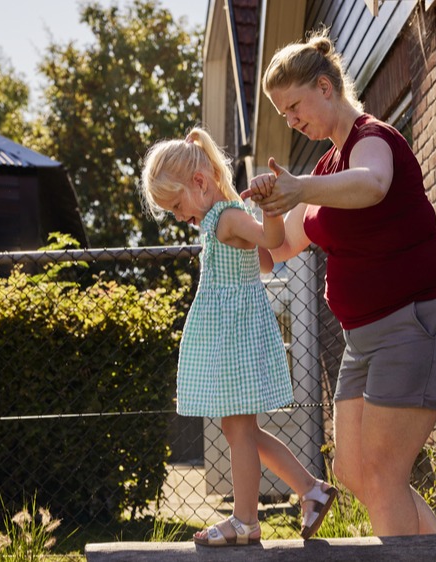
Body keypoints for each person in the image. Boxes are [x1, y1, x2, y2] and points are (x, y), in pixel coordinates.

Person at [243, 29, 436, 537]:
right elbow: (277, 250)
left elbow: (373, 184)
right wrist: (248, 210)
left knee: (384, 474)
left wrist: (297, 186)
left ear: (326, 88)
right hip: (365, 337)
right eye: (283, 113)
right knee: (352, 472)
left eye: (294, 106)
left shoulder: (375, 139)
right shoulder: (327, 166)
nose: (291, 120)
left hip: (418, 319)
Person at [139, 127, 338, 546]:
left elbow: (273, 240)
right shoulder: (222, 217)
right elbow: (264, 263)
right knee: (240, 431)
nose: (177, 215)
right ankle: (311, 490)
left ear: (199, 182)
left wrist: (269, 207)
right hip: (233, 336)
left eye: (176, 205)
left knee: (239, 432)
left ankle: (245, 521)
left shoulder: (227, 217)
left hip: (236, 338)